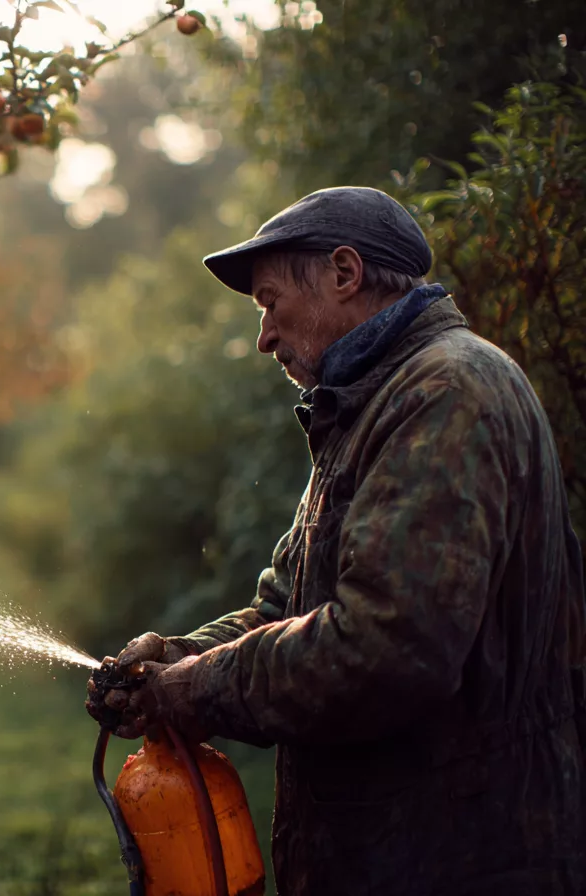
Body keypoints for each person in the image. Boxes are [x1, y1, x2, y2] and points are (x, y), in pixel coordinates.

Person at [85, 186, 586, 895]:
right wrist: (172, 660)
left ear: (344, 274)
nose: (264, 337)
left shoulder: (445, 392)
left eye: (269, 303)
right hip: (395, 856)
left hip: (465, 859)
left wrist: (193, 690)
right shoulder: (369, 407)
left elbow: (387, 647)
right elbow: (285, 608)